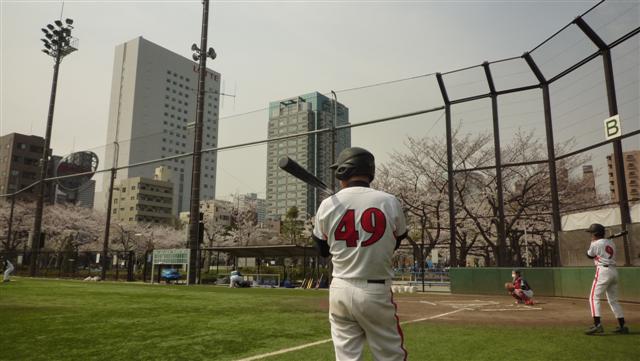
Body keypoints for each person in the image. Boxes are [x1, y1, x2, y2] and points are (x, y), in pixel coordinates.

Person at [313, 147, 408, 361]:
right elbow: (398, 238)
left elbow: (321, 250)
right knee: (390, 356)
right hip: (375, 290)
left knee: (346, 358)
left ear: (345, 171)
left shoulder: (328, 204)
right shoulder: (389, 201)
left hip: (340, 289)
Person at [584, 223, 628, 335]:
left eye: (591, 233)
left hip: (603, 271)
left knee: (594, 298)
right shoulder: (611, 243)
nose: (590, 236)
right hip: (614, 272)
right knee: (613, 300)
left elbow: (589, 255)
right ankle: (623, 325)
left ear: (595, 234)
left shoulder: (595, 244)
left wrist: (593, 243)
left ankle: (597, 325)